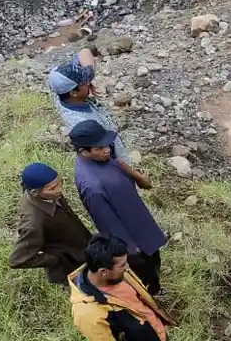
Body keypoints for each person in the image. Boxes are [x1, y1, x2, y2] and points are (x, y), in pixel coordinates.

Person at [70, 120, 167, 295]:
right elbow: (107, 223)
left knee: (154, 258)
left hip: (137, 219)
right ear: (84, 152)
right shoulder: (92, 186)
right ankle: (152, 296)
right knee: (143, 272)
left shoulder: (103, 158)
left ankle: (155, 286)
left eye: (106, 144)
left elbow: (121, 170)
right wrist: (129, 248)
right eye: (99, 148)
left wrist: (136, 176)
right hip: (131, 237)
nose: (107, 149)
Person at [9, 162, 92, 284]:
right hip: (72, 269)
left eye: (59, 183)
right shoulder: (33, 223)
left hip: (84, 251)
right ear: (35, 193)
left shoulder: (49, 194)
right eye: (53, 188)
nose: (59, 189)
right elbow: (17, 259)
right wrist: (54, 259)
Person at [49, 49, 131, 163]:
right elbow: (103, 154)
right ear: (74, 92)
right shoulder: (83, 122)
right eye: (84, 83)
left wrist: (88, 81)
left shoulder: (61, 93)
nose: (88, 83)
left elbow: (85, 52)